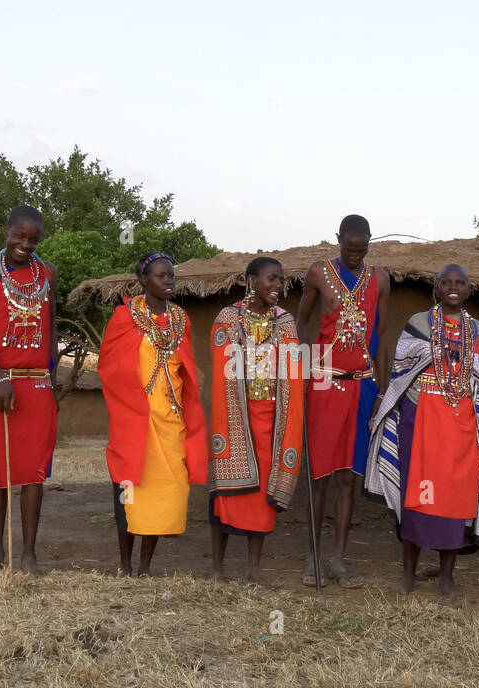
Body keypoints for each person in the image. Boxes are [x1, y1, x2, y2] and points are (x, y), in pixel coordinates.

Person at [366, 265, 479, 597]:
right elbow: (401, 374)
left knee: (454, 501)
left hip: (461, 425)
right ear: (436, 289)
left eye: (459, 282)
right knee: (416, 499)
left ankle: (448, 576)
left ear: (468, 289)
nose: (452, 287)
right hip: (418, 421)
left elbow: (477, 382)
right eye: (445, 282)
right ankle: (408, 574)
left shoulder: (477, 330)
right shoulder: (419, 324)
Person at [295, 214, 391, 588]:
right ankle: (313, 556)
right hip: (324, 383)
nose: (355, 256)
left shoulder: (380, 279)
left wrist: (382, 390)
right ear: (338, 240)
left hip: (363, 386)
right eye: (349, 249)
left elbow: (383, 334)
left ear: (369, 242)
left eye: (362, 249)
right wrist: (303, 373)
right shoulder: (318, 273)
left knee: (349, 478)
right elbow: (302, 323)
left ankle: (338, 559)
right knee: (319, 475)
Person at [98, 253, 206, 576]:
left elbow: (185, 369)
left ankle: (145, 566)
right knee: (129, 488)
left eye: (172, 276)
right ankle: (125, 563)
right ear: (144, 280)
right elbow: (109, 367)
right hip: (134, 421)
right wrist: (127, 406)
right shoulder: (125, 316)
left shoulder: (181, 321)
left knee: (163, 492)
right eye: (161, 276)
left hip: (171, 421)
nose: (169, 281)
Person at [0, 206, 60, 574]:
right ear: (5, 230)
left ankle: (28, 554)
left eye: (33, 239)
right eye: (19, 236)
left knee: (34, 472)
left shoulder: (48, 273)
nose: (25, 244)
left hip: (38, 384)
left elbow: (51, 329)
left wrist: (51, 379)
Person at [207, 257, 304, 583]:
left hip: (272, 422)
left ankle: (252, 571)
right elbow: (223, 373)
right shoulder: (228, 318)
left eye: (281, 280)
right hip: (236, 419)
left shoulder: (285, 322)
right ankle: (217, 569)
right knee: (225, 497)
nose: (278, 286)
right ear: (251, 280)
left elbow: (294, 371)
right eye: (271, 279)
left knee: (264, 498)